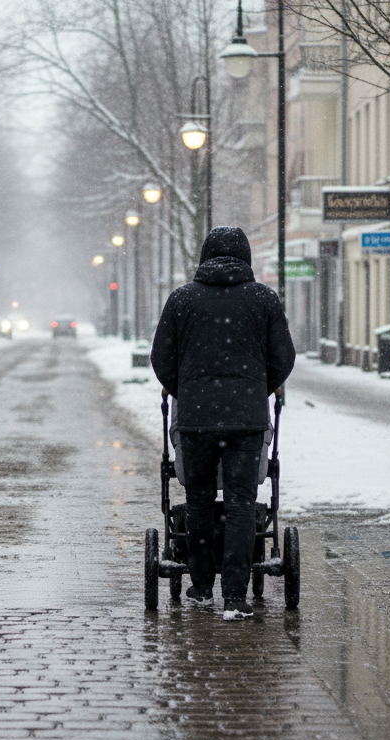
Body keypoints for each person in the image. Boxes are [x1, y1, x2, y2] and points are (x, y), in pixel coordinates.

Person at [151, 226, 295, 621]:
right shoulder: (264, 299)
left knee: (198, 501)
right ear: (245, 257)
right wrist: (256, 387)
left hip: (196, 418)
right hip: (246, 420)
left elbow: (161, 358)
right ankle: (234, 594)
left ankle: (200, 587)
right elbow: (283, 357)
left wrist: (186, 389)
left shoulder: (182, 299)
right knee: (241, 504)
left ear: (205, 256)